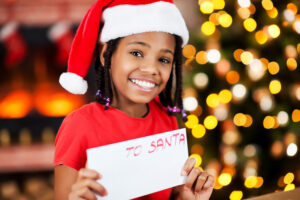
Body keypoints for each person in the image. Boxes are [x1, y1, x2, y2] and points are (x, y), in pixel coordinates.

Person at [54, 0, 215, 200]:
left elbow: (170, 194)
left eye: (164, 59)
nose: (150, 69)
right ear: (106, 55)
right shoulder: (78, 125)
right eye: (136, 53)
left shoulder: (166, 119)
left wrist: (187, 198)